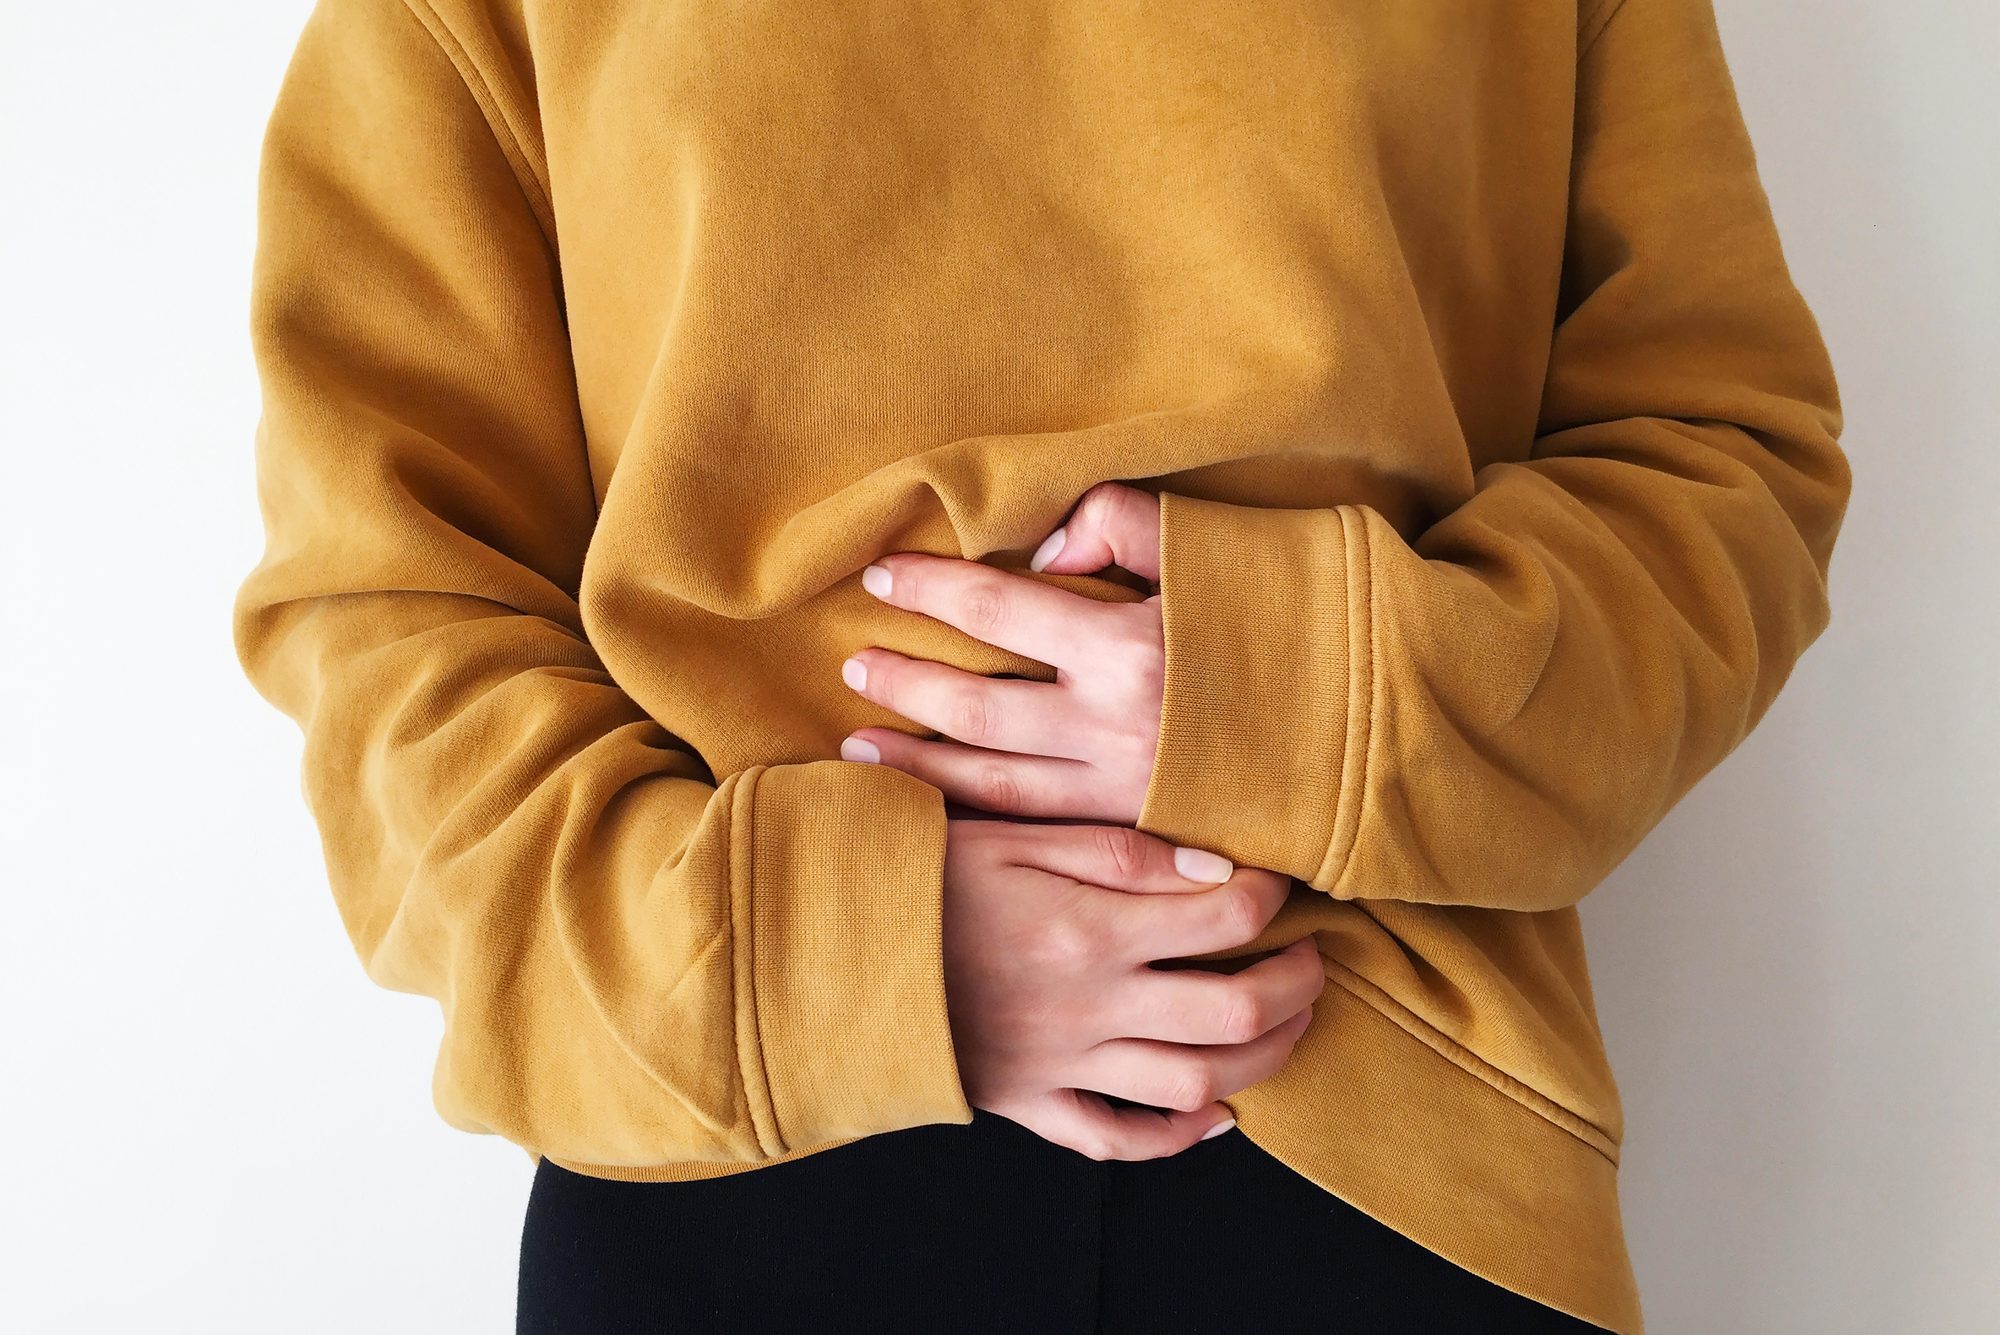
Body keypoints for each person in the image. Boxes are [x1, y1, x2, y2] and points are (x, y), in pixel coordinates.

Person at [230, 0, 1852, 1330]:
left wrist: (1308, 695)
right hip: (736, 1151)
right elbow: (392, 601)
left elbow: (1722, 461)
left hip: (1396, 1121)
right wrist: (844, 967)